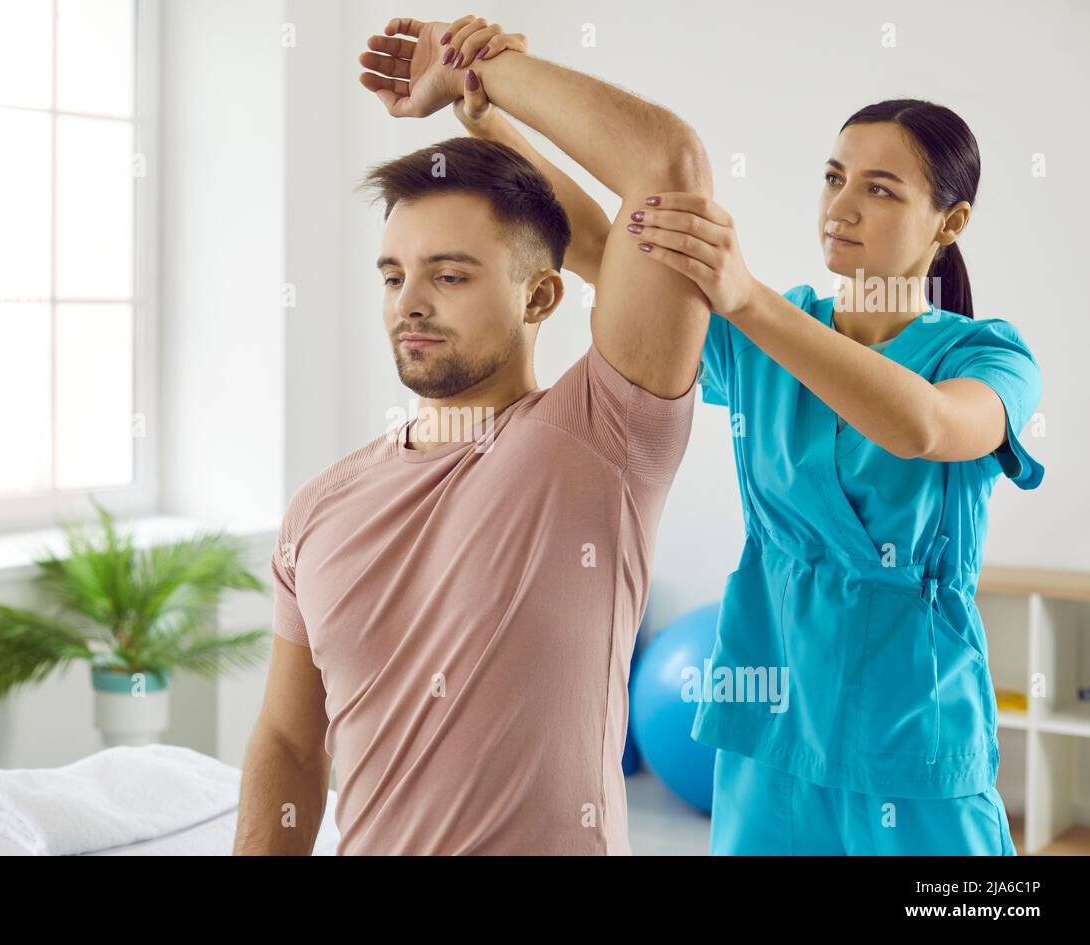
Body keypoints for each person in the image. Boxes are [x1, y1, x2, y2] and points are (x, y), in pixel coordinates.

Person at [459, 31, 1042, 854]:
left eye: (879, 190)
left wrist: (748, 301)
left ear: (950, 221)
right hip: (769, 725)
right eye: (834, 178)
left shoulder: (988, 356)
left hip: (914, 737)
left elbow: (924, 426)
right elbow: (604, 244)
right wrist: (496, 126)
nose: (840, 208)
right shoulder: (771, 323)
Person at [233, 14, 714, 855]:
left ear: (539, 299)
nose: (409, 302)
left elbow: (665, 165)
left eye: (449, 275)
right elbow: (286, 741)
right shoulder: (317, 509)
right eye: (394, 275)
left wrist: (479, 77)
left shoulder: (601, 439)